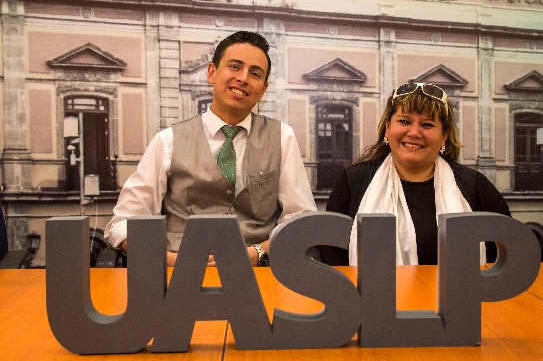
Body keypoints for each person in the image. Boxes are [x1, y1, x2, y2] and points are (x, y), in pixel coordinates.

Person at [106, 31, 316, 267]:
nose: (243, 78)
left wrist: (258, 252)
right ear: (211, 73)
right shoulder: (168, 141)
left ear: (263, 89)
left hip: (258, 274)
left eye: (255, 74)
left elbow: (301, 219)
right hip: (180, 275)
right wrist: (170, 261)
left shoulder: (282, 138)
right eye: (234, 67)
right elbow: (123, 223)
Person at [322, 82, 510, 266]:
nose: (414, 132)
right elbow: (331, 257)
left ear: (444, 136)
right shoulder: (354, 181)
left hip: (460, 289)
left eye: (427, 125)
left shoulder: (473, 185)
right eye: (404, 121)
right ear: (387, 128)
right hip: (370, 289)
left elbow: (506, 254)